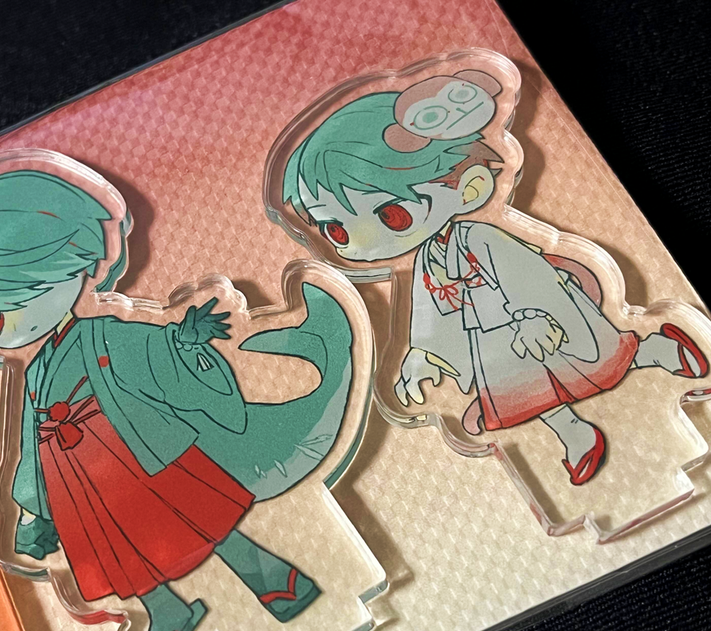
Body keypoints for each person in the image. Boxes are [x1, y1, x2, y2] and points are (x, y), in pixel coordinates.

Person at [0, 169, 357, 631]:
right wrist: (36, 509)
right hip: (81, 483)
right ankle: (166, 612)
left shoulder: (102, 335)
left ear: (62, 259)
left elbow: (151, 354)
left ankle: (270, 574)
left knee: (194, 518)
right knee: (118, 552)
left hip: (138, 455)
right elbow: (32, 444)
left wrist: (183, 341)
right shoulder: (35, 374)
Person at [282, 72, 707, 485]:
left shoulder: (481, 237)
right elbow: (429, 314)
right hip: (493, 340)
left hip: (539, 317)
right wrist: (423, 355)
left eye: (391, 215)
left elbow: (529, 273)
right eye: (336, 229)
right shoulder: (428, 260)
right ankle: (577, 435)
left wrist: (534, 315)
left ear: (469, 187)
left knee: (595, 360)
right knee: (526, 392)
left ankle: (654, 349)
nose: (359, 239)